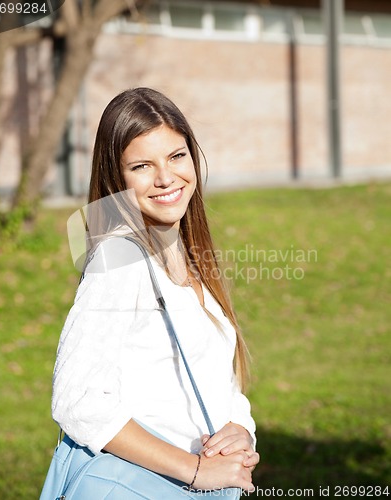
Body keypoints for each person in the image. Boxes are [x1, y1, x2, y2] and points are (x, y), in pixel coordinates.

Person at [52, 87, 259, 494]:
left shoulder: (186, 252)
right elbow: (77, 400)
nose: (166, 178)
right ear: (117, 176)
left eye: (176, 156)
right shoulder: (120, 259)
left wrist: (240, 428)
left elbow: (212, 373)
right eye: (142, 165)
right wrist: (195, 471)